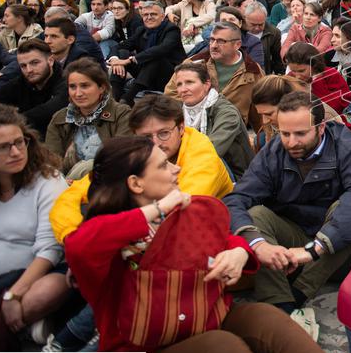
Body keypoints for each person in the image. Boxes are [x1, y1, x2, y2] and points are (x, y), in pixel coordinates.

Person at [63, 136, 351, 353]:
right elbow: (78, 246)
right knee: (219, 349)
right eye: (163, 166)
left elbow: (228, 239)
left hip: (203, 323)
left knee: (268, 320)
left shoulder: (187, 212)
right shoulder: (107, 240)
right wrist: (157, 210)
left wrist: (239, 253)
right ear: (135, 183)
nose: (176, 169)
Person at [223, 91, 351, 309]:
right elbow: (237, 198)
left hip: (341, 255)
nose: (291, 142)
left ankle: (298, 294)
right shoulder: (274, 151)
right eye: (285, 133)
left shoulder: (349, 146)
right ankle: (278, 303)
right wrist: (257, 244)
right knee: (256, 215)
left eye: (300, 134)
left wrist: (315, 248)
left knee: (348, 212)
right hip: (293, 246)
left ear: (321, 127)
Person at [50, 93, 232, 243]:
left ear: (181, 128)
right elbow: (72, 195)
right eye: (146, 137)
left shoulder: (202, 155)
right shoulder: (134, 152)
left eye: (164, 133)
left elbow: (179, 209)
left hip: (200, 233)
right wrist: (71, 235)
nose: (156, 143)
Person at [0, 104, 70, 349]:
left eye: (19, 142)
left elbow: (50, 249)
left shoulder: (48, 181)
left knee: (50, 289)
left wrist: (14, 294)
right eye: (3, 147)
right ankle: (24, 328)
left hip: (31, 277)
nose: (15, 152)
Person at [164, 21, 263, 130]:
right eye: (212, 40)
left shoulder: (252, 71)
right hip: (193, 130)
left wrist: (263, 137)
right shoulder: (193, 63)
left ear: (237, 45)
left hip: (232, 131)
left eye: (221, 41)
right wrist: (199, 105)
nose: (214, 45)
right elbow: (170, 95)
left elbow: (260, 112)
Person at [44, 58, 132, 174]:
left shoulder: (121, 113)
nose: (78, 93)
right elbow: (52, 165)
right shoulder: (59, 119)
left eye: (85, 86)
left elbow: (121, 157)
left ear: (102, 87)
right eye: (72, 87)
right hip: (68, 182)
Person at [172, 62, 253, 180]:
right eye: (179, 84)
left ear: (206, 84)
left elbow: (211, 151)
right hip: (193, 168)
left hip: (236, 177)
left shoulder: (227, 112)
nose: (183, 89)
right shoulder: (178, 111)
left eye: (189, 82)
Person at [107, 0, 186, 104]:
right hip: (146, 75)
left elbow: (162, 49)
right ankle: (117, 95)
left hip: (169, 75)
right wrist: (115, 61)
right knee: (122, 53)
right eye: (145, 15)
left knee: (155, 57)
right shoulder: (141, 30)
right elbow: (119, 47)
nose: (149, 17)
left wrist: (129, 60)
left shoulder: (171, 29)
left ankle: (128, 97)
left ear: (162, 16)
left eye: (153, 14)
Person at [0, 38, 67, 136]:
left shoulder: (66, 82)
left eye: (34, 63)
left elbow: (49, 110)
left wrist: (11, 122)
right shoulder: (20, 82)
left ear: (50, 61)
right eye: (23, 66)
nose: (29, 70)